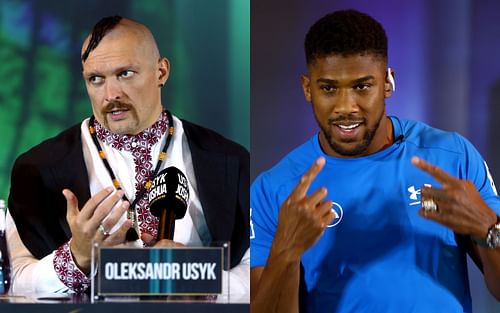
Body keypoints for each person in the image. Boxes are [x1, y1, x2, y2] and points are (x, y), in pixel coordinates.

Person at [250, 9, 500, 313]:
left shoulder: (452, 158)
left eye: (361, 86)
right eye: (328, 88)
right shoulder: (275, 188)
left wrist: (489, 228)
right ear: (307, 89)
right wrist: (284, 253)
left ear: (388, 82)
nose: (346, 107)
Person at [7, 16, 249, 299]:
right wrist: (76, 258)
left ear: (161, 72)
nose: (111, 95)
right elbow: (14, 280)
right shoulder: (36, 169)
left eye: (125, 74)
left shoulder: (229, 160)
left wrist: (199, 279)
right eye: (95, 79)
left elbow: (259, 270)